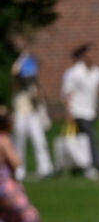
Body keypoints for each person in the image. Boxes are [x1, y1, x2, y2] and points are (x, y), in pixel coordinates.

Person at [61, 43, 99, 178]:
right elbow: (67, 93)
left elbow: (98, 89)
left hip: (90, 111)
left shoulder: (97, 72)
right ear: (83, 55)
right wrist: (68, 112)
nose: (93, 56)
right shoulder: (74, 72)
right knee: (89, 138)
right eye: (90, 53)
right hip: (78, 111)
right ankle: (95, 164)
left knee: (81, 141)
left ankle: (78, 166)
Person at [10, 50, 54, 180]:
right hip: (20, 113)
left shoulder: (34, 84)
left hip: (33, 113)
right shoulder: (17, 83)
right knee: (19, 141)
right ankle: (18, 170)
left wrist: (37, 95)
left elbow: (42, 96)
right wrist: (21, 61)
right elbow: (14, 74)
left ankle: (45, 168)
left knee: (39, 140)